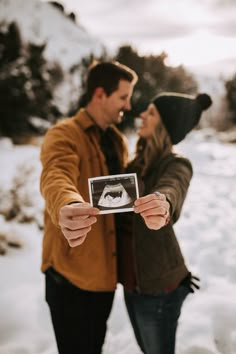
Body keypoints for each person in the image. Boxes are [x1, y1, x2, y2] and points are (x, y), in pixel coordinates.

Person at [39, 61, 138, 354]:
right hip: (70, 278)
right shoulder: (64, 134)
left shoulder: (118, 141)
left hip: (105, 276)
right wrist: (68, 203)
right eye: (123, 97)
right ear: (99, 95)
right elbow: (56, 174)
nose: (129, 105)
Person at [117, 92, 212, 354]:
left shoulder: (175, 163)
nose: (142, 116)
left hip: (159, 289)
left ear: (165, 124)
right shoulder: (135, 164)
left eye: (151, 113)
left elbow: (174, 186)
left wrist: (162, 202)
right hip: (132, 283)